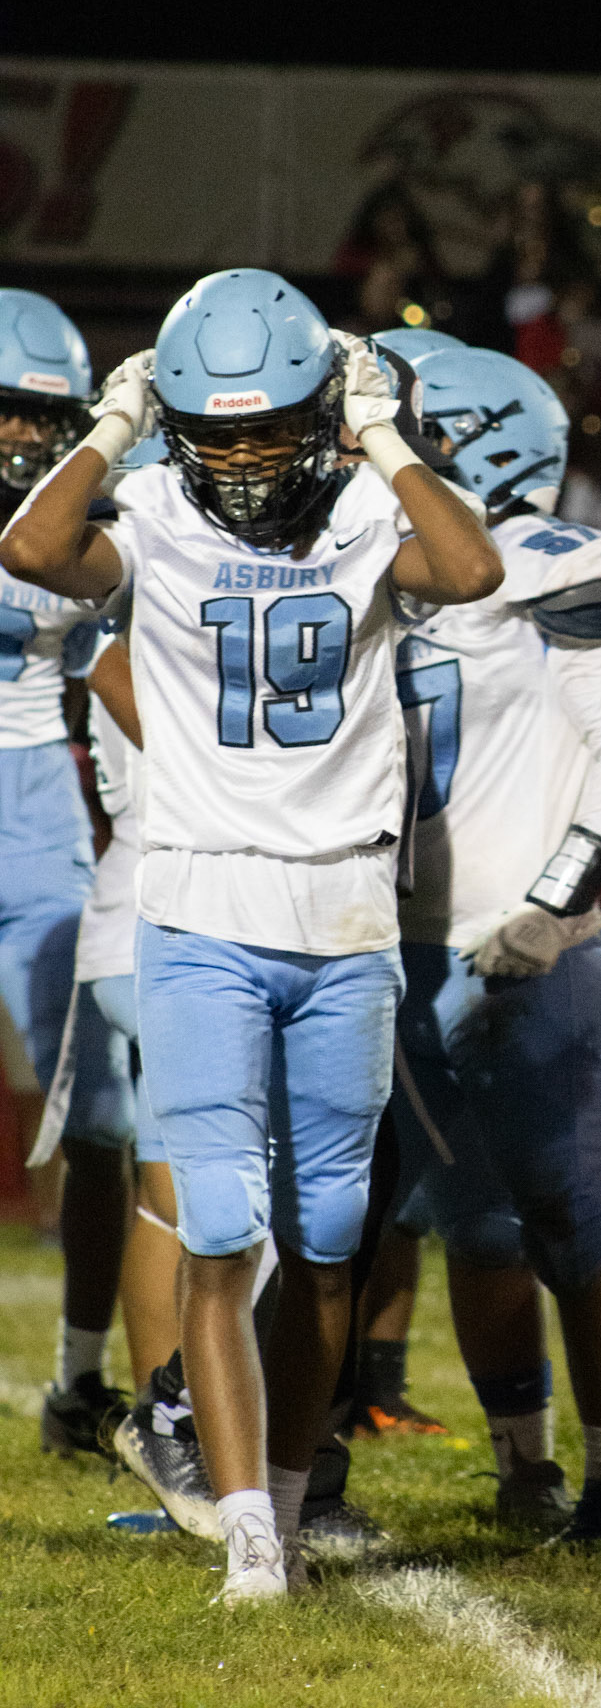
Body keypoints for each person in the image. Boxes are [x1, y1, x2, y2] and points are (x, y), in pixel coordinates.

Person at [0, 268, 502, 1606]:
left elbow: (471, 568)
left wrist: (382, 433)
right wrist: (113, 425)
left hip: (345, 916)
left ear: (319, 412)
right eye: (211, 434)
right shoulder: (152, 507)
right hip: (202, 911)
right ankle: (251, 1543)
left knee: (329, 1238)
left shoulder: (364, 508)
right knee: (224, 1233)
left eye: (267, 428)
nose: (238, 462)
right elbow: (32, 554)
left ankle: (284, 1496)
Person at [376, 335, 601, 1542]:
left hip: (531, 942)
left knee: (568, 1216)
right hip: (398, 941)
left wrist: (552, 901)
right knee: (473, 1225)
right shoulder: (374, 557)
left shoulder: (561, 562)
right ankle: (524, 1465)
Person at [0, 288, 146, 1455]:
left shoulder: (88, 515)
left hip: (39, 800)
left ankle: (80, 1378)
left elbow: (114, 662)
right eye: (5, 408)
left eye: (41, 415)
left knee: (98, 1107)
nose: (21, 433)